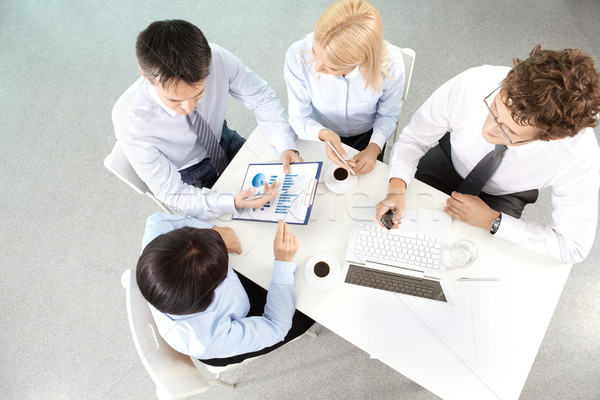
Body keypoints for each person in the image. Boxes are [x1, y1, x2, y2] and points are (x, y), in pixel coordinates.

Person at [376, 46, 600, 264]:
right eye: (494, 109)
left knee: (469, 262)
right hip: (449, 160)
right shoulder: (475, 82)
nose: (488, 130)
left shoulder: (578, 157)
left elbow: (572, 246)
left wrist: (494, 221)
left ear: (549, 137)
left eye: (508, 131)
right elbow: (415, 137)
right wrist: (396, 189)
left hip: (504, 196)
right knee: (396, 237)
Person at [112, 19, 303, 219]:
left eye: (198, 94)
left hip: (224, 142)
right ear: (145, 75)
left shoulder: (217, 58)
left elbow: (262, 98)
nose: (188, 107)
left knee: (289, 194)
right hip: (187, 178)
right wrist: (231, 202)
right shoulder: (129, 119)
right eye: (174, 100)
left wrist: (284, 144)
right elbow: (173, 193)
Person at [136, 213, 315, 366]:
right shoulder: (208, 340)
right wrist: (283, 262)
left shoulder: (157, 241)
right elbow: (277, 327)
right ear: (215, 288)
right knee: (307, 308)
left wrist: (213, 229)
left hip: (209, 298)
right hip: (229, 333)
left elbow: (157, 219)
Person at [284, 0, 405, 175]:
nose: (316, 68)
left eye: (331, 68)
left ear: (359, 62)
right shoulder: (297, 54)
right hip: (317, 133)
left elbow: (387, 115)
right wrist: (323, 134)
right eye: (315, 53)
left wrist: (374, 148)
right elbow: (298, 118)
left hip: (369, 136)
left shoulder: (392, 63)